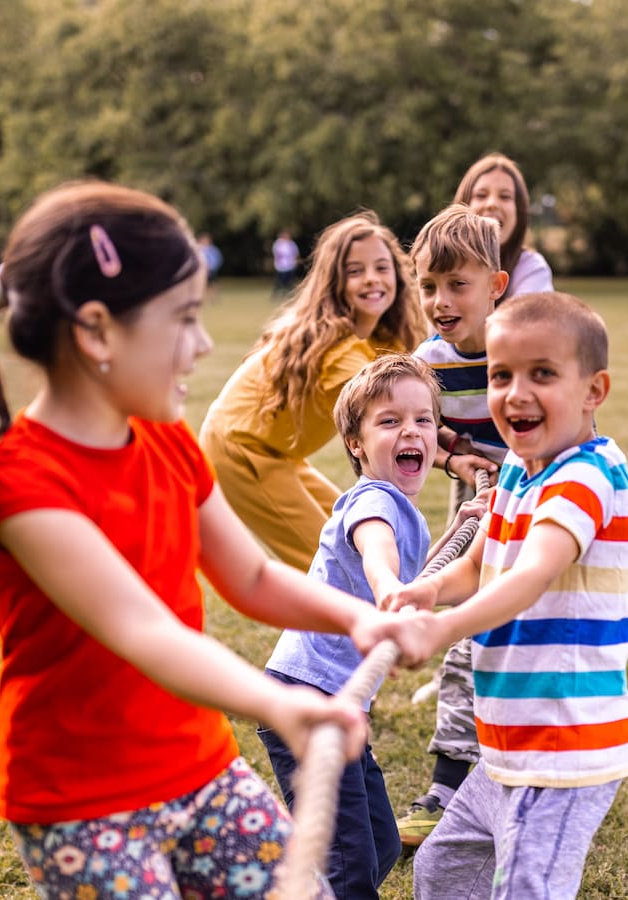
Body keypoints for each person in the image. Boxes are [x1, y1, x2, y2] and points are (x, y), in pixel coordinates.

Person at [0, 181, 435, 900]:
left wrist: (357, 616)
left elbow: (250, 579)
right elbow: (143, 630)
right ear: (96, 332)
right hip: (83, 806)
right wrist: (279, 704)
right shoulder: (23, 483)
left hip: (201, 769)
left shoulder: (167, 441)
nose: (204, 344)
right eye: (184, 319)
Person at [387, 292, 628, 899]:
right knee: (442, 870)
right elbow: (477, 567)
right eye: (501, 376)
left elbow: (530, 576)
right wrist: (425, 592)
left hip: (561, 749)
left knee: (527, 889)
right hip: (505, 743)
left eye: (543, 374)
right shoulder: (520, 475)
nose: (516, 393)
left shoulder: (588, 474)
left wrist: (443, 631)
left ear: (593, 391)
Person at [256, 353, 441, 900]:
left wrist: (466, 522)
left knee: (381, 844)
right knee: (351, 864)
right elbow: (376, 549)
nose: (410, 430)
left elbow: (429, 571)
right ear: (356, 445)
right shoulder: (373, 500)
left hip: (341, 706)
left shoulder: (407, 508)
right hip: (308, 699)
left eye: (423, 420)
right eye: (389, 421)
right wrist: (387, 589)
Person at [199, 212, 425, 571]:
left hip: (280, 454)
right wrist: (454, 454)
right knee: (335, 565)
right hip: (241, 449)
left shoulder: (384, 338)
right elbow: (398, 413)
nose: (371, 279)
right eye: (355, 271)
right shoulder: (339, 348)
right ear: (334, 282)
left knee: (356, 533)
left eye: (382, 267)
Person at [394, 205, 511, 848]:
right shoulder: (428, 362)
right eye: (429, 286)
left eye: (457, 285)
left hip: (524, 519)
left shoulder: (520, 351)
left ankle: (520, 769)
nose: (440, 301)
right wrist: (452, 457)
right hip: (468, 514)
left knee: (508, 642)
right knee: (464, 643)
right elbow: (422, 429)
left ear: (495, 286)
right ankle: (448, 785)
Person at [454, 153, 553, 300]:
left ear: (519, 212)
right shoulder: (440, 262)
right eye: (481, 195)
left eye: (505, 196)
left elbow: (524, 321)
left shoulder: (532, 269)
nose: (492, 203)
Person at [272, 229, 300, 297]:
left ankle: (289, 294)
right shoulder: (278, 244)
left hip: (290, 265)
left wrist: (295, 261)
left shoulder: (291, 244)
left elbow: (296, 254)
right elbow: (276, 255)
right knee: (279, 282)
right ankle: (276, 295)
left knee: (289, 282)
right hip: (281, 266)